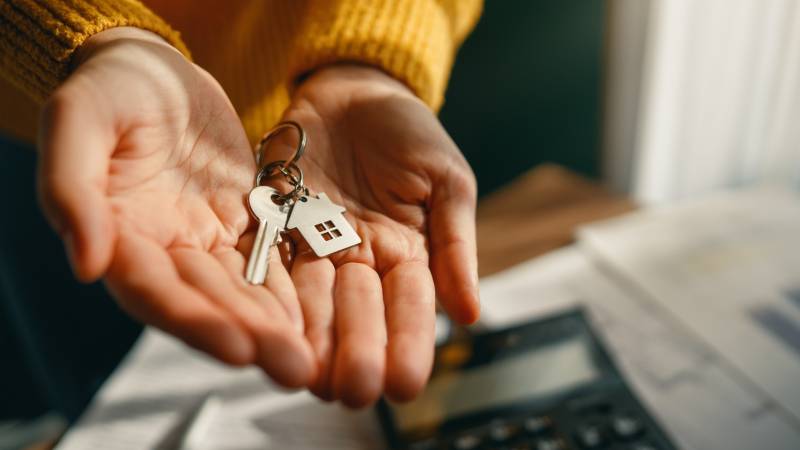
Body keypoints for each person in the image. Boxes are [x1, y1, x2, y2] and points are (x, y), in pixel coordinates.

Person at [0, 0, 482, 417]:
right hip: (73, 125)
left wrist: (374, 60)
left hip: (313, 101)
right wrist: (101, 36)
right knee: (96, 395)